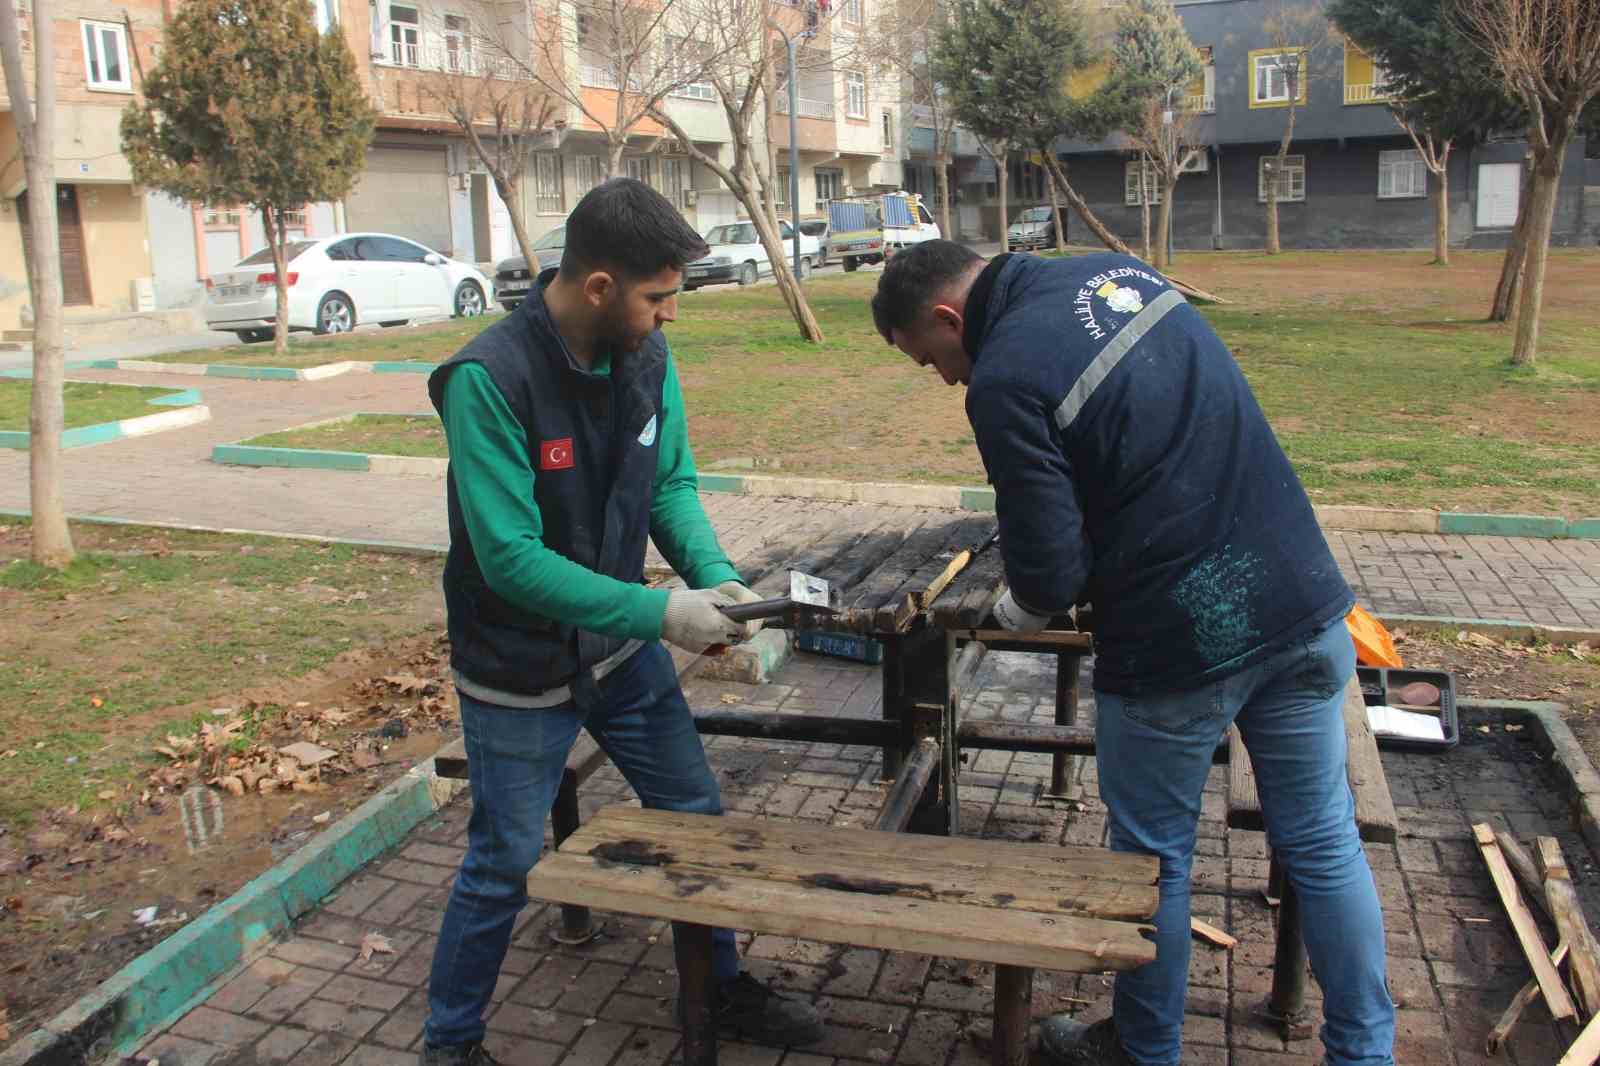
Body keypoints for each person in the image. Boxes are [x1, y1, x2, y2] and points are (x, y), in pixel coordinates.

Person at [870, 241, 1394, 1066]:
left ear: (946, 317)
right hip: (1301, 600)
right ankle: (1366, 1054)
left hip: (1180, 645)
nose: (945, 378)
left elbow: (1049, 572)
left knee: (1153, 862)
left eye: (932, 358)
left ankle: (1145, 1050)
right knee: (1324, 841)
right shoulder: (1112, 272)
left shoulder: (1005, 376)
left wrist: (1008, 612)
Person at [420, 178, 824, 1066]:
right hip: (518, 665)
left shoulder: (646, 358)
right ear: (600, 286)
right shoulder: (488, 380)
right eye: (659, 298)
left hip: (621, 650)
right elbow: (510, 560)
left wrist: (716, 585)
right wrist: (661, 610)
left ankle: (719, 984)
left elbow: (668, 485)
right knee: (503, 861)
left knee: (695, 813)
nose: (669, 316)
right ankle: (449, 1046)